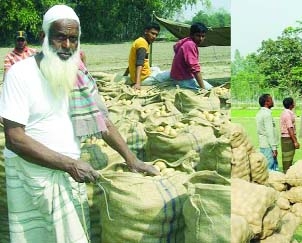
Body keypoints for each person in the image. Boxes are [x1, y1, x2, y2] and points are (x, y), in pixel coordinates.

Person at [0, 5, 159, 242]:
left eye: (73, 39)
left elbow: (102, 119)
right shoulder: (20, 74)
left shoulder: (77, 74)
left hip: (68, 172)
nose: (67, 46)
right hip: (32, 177)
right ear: (44, 37)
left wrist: (131, 158)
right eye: (60, 37)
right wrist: (69, 165)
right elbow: (14, 139)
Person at [170, 22, 213, 91]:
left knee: (208, 86)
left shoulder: (185, 40)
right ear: (192, 35)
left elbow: (175, 47)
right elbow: (195, 68)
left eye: (203, 36)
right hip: (182, 79)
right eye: (198, 36)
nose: (201, 39)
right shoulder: (190, 45)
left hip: (178, 76)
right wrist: (203, 88)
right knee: (210, 89)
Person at [127, 23, 161, 90]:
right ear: (146, 31)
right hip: (143, 79)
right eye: (152, 33)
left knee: (156, 68)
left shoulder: (140, 41)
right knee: (170, 75)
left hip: (139, 75)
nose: (154, 37)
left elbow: (134, 60)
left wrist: (125, 75)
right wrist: (137, 83)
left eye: (156, 35)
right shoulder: (142, 44)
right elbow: (139, 63)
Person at [256, 94, 278, 171]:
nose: (273, 101)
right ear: (266, 102)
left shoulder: (260, 113)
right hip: (268, 145)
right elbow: (270, 133)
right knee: (269, 169)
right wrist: (274, 148)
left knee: (266, 167)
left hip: (263, 144)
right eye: (271, 100)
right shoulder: (267, 114)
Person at [280, 97, 300, 173]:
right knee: (288, 159)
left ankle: (286, 173)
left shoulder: (285, 112)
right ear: (291, 105)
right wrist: (295, 142)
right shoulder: (287, 114)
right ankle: (286, 175)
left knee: (288, 158)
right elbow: (290, 128)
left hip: (287, 138)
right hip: (288, 139)